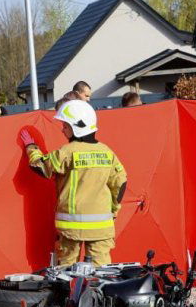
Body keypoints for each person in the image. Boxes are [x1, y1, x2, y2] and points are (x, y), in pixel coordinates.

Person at [19, 100, 127, 266]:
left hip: (71, 228)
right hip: (102, 227)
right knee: (102, 273)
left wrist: (31, 148)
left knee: (67, 273)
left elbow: (41, 167)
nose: (63, 129)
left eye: (65, 126)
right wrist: (113, 210)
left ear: (77, 126)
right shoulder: (107, 153)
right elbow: (121, 184)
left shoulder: (68, 152)